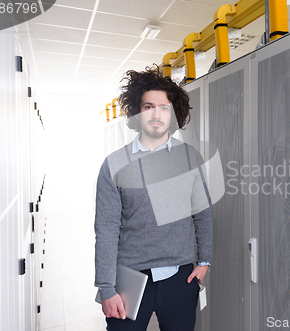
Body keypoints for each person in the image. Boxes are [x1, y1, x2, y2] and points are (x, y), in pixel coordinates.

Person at [94, 67, 213, 331]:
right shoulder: (114, 164)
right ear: (137, 111)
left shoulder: (189, 157)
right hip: (129, 279)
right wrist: (105, 287)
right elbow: (106, 229)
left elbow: (202, 213)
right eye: (149, 106)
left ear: (173, 114)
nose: (156, 114)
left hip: (180, 280)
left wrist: (204, 261)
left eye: (164, 107)